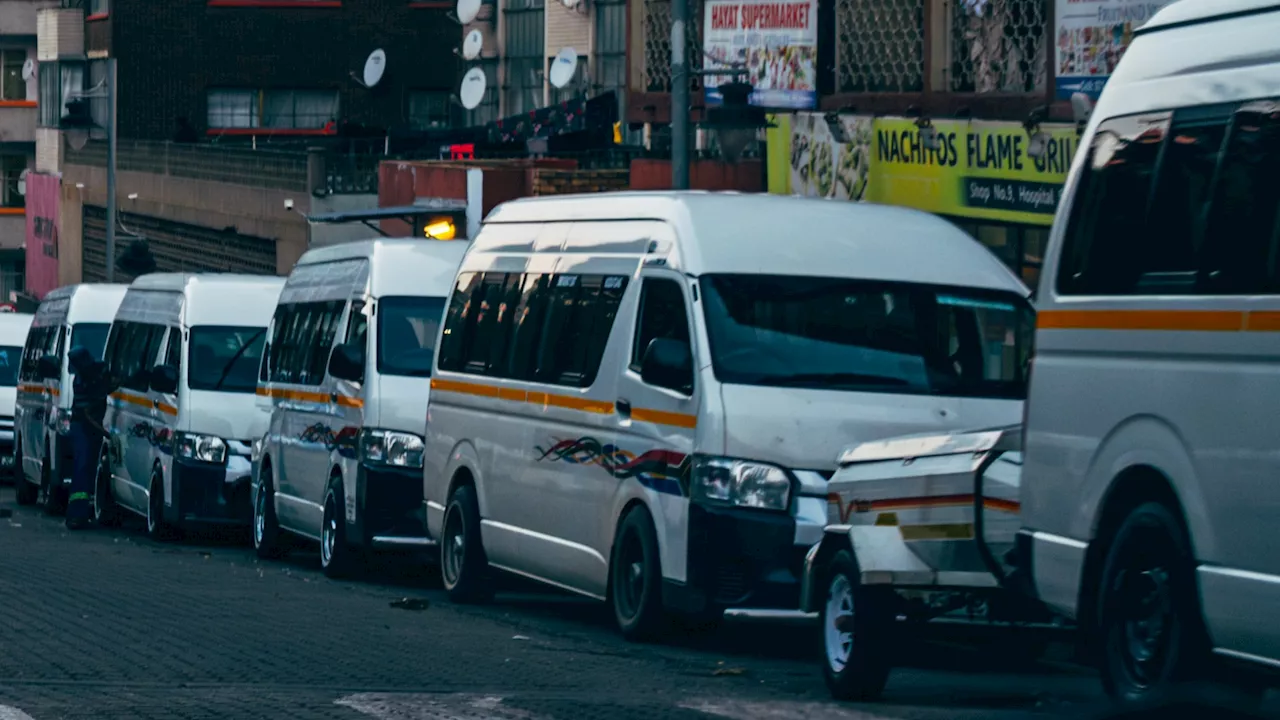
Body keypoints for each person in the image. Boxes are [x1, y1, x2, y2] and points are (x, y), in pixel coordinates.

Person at [65, 347, 113, 530]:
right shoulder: (79, 382)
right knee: (82, 468)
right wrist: (104, 432)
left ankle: (81, 512)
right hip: (82, 428)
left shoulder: (98, 371)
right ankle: (76, 515)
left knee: (88, 469)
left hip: (90, 428)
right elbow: (87, 415)